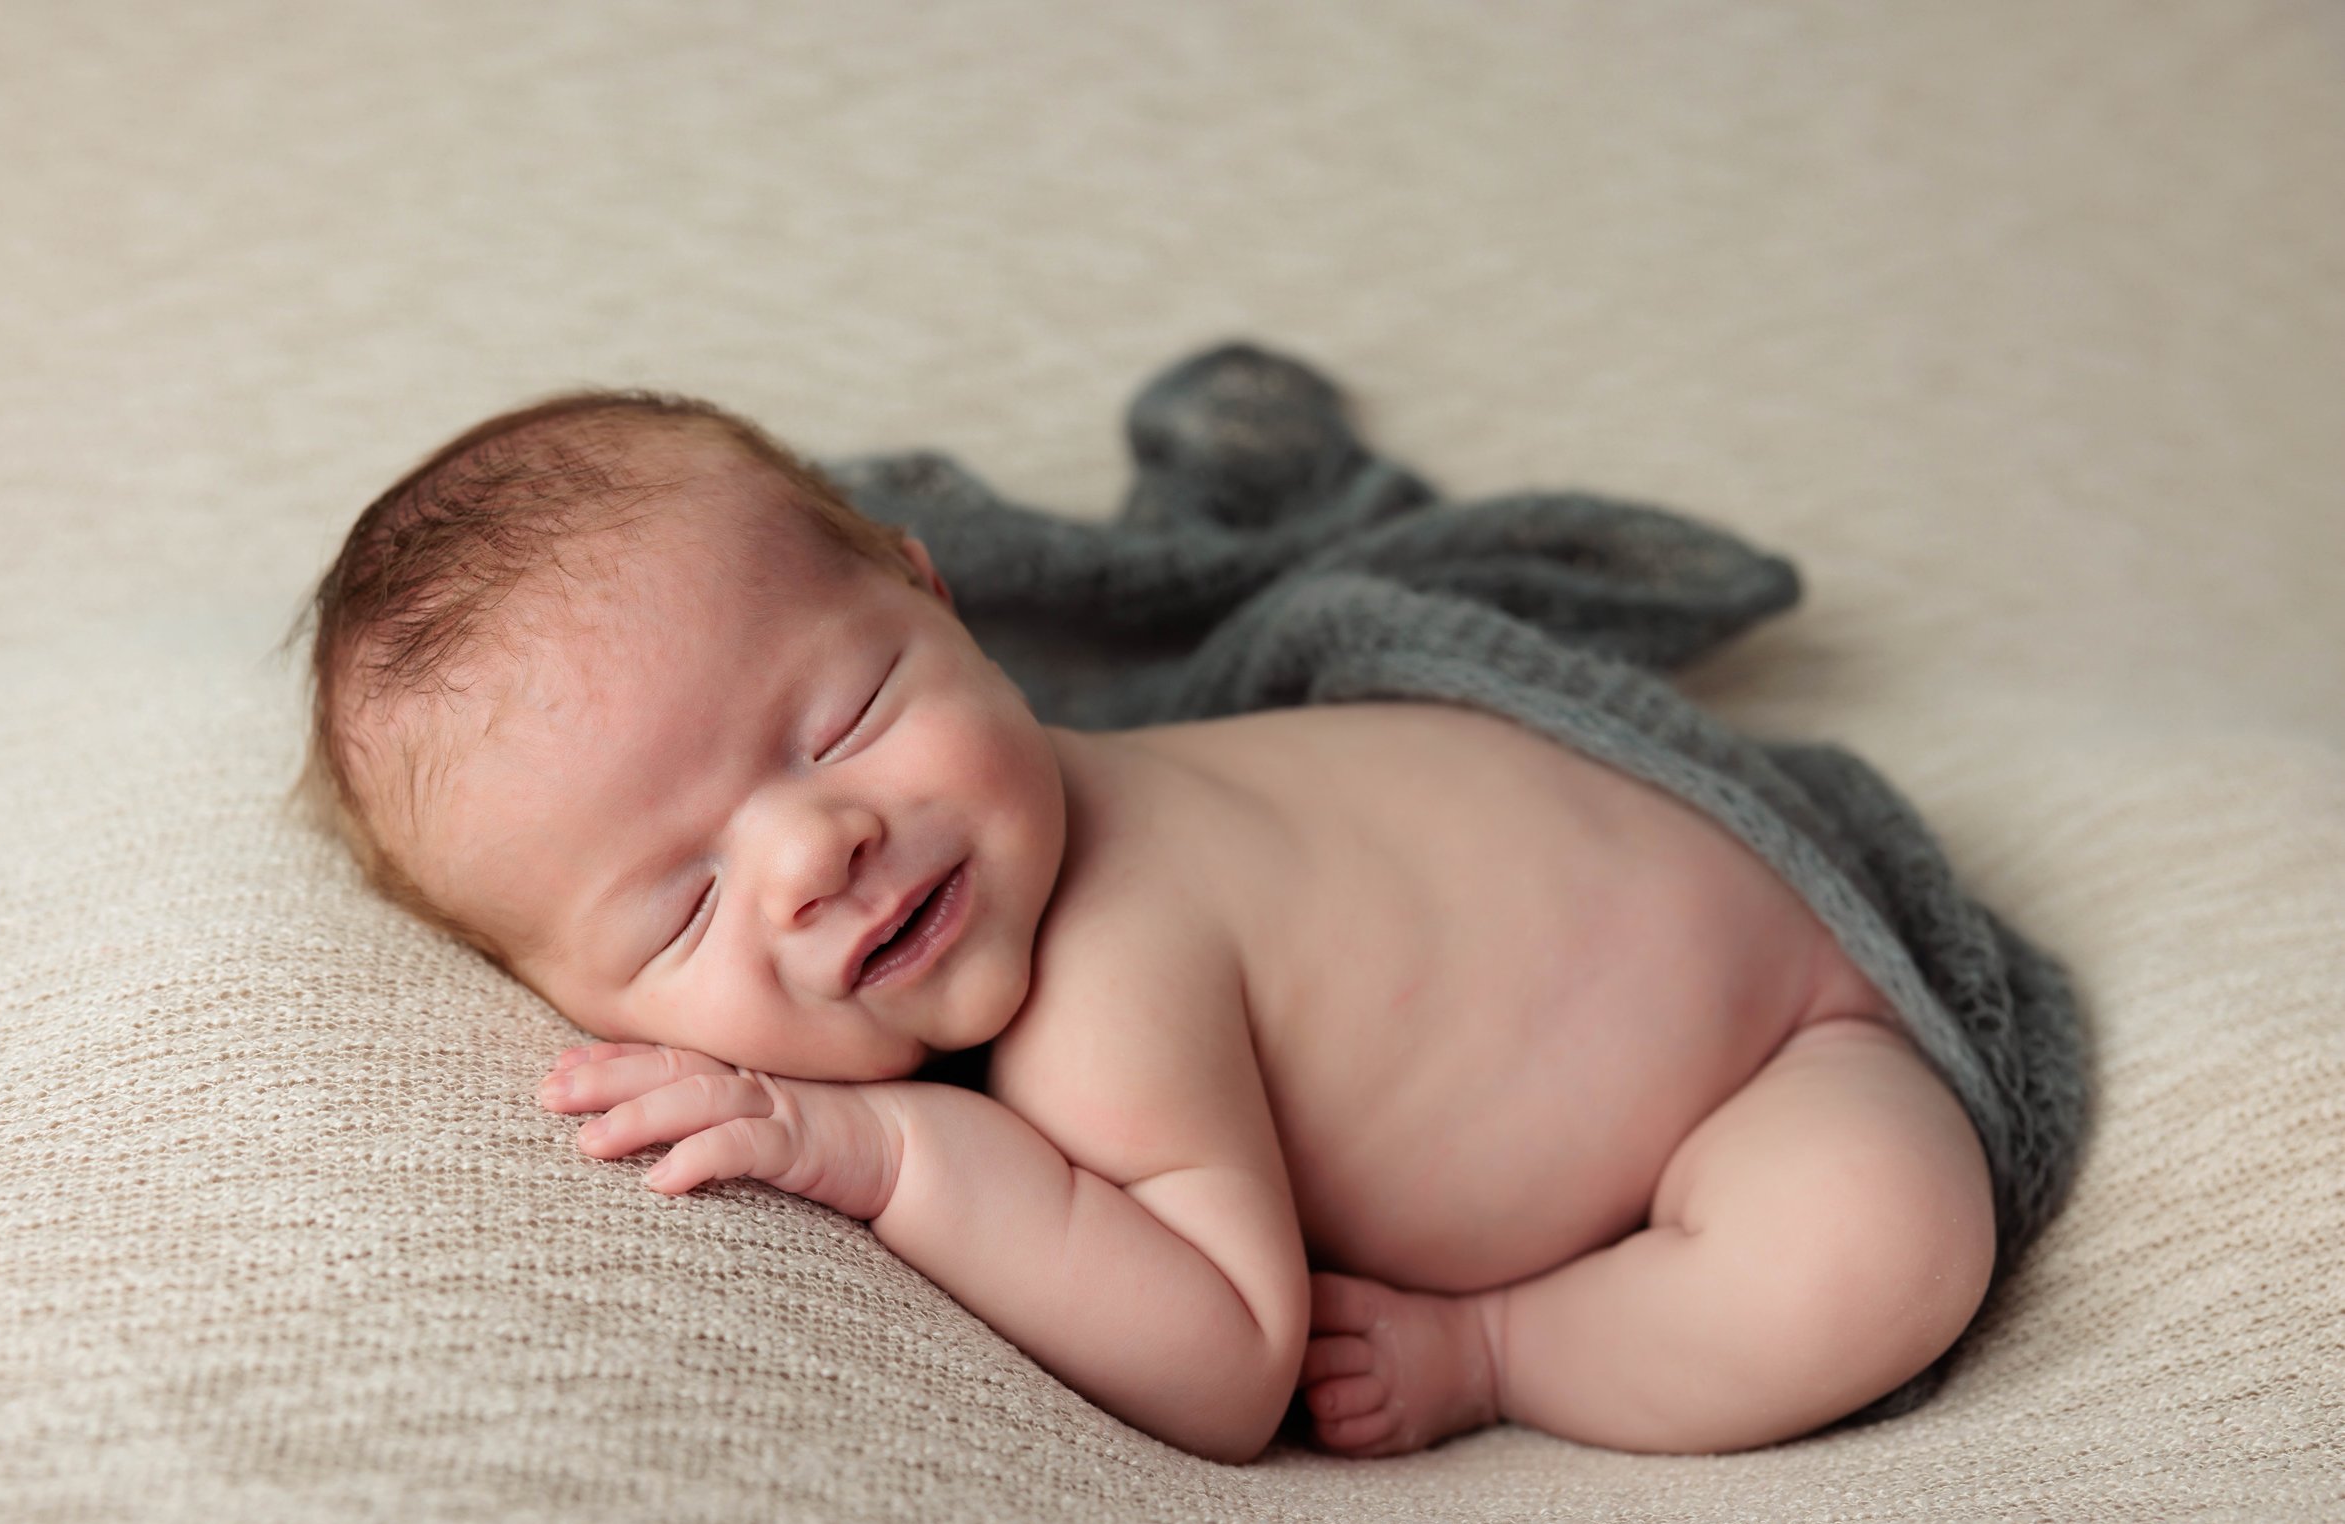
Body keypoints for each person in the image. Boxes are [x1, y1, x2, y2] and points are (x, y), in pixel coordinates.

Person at [298, 391, 1996, 1465]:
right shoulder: (1030, 841)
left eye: (847, 717)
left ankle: (1509, 1348)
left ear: (935, 595)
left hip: (1785, 1051)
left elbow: (1227, 1360)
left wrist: (877, 1158)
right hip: (1669, 909)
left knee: (1881, 1253)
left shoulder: (1106, 972)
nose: (819, 850)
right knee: (1877, 1246)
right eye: (685, 906)